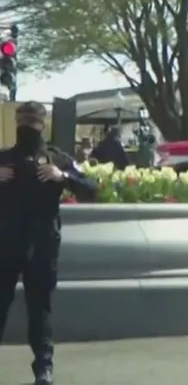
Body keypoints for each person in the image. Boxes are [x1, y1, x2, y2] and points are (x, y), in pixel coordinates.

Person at [0, 102, 98, 385]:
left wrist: (62, 177)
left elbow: (91, 190)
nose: (26, 126)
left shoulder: (57, 159)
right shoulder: (3, 158)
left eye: (32, 121)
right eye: (22, 120)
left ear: (43, 124)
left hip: (42, 244)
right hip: (6, 243)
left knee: (39, 309)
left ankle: (44, 368)